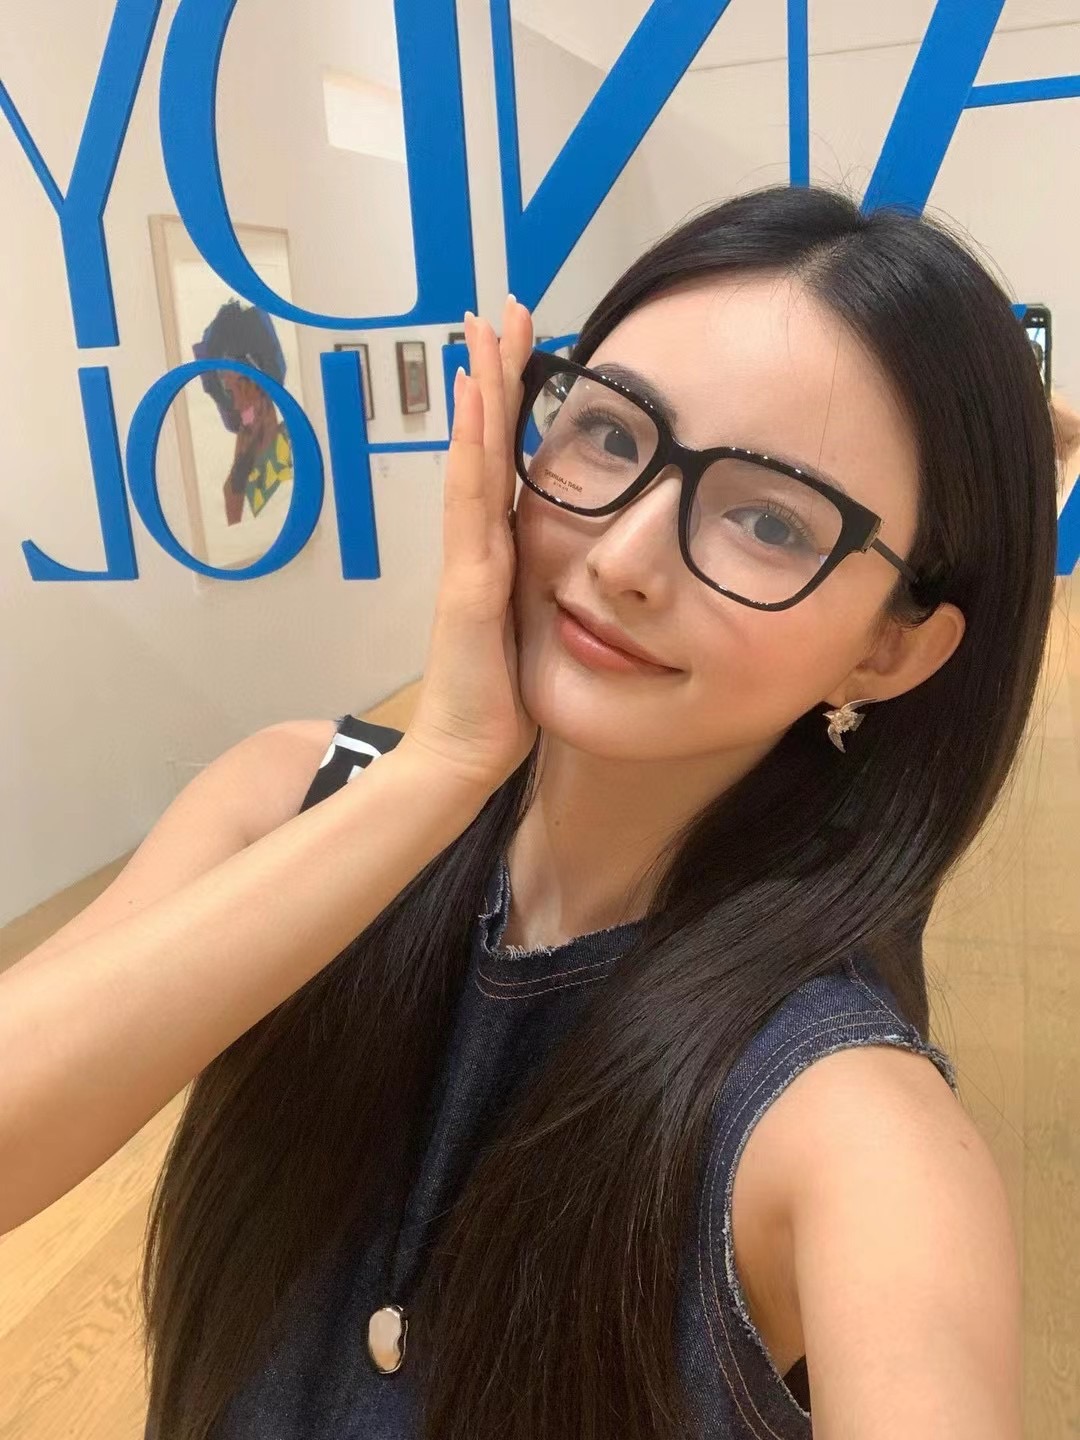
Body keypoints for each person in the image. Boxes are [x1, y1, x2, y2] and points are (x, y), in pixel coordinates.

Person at [0, 184, 1057, 1440]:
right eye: (610, 434)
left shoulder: (848, 1124)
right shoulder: (289, 799)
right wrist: (442, 766)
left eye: (771, 520)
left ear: (888, 649)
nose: (623, 558)